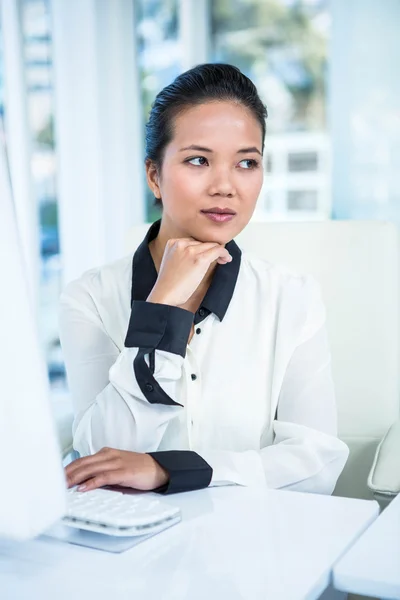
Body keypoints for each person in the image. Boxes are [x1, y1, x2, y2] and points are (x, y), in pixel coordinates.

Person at [60, 63, 349, 495]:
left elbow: (315, 463)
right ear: (154, 175)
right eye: (199, 160)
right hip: (127, 545)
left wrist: (170, 470)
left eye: (246, 163)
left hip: (255, 540)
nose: (225, 186)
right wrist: (161, 311)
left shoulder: (293, 297)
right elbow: (99, 464)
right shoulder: (90, 298)